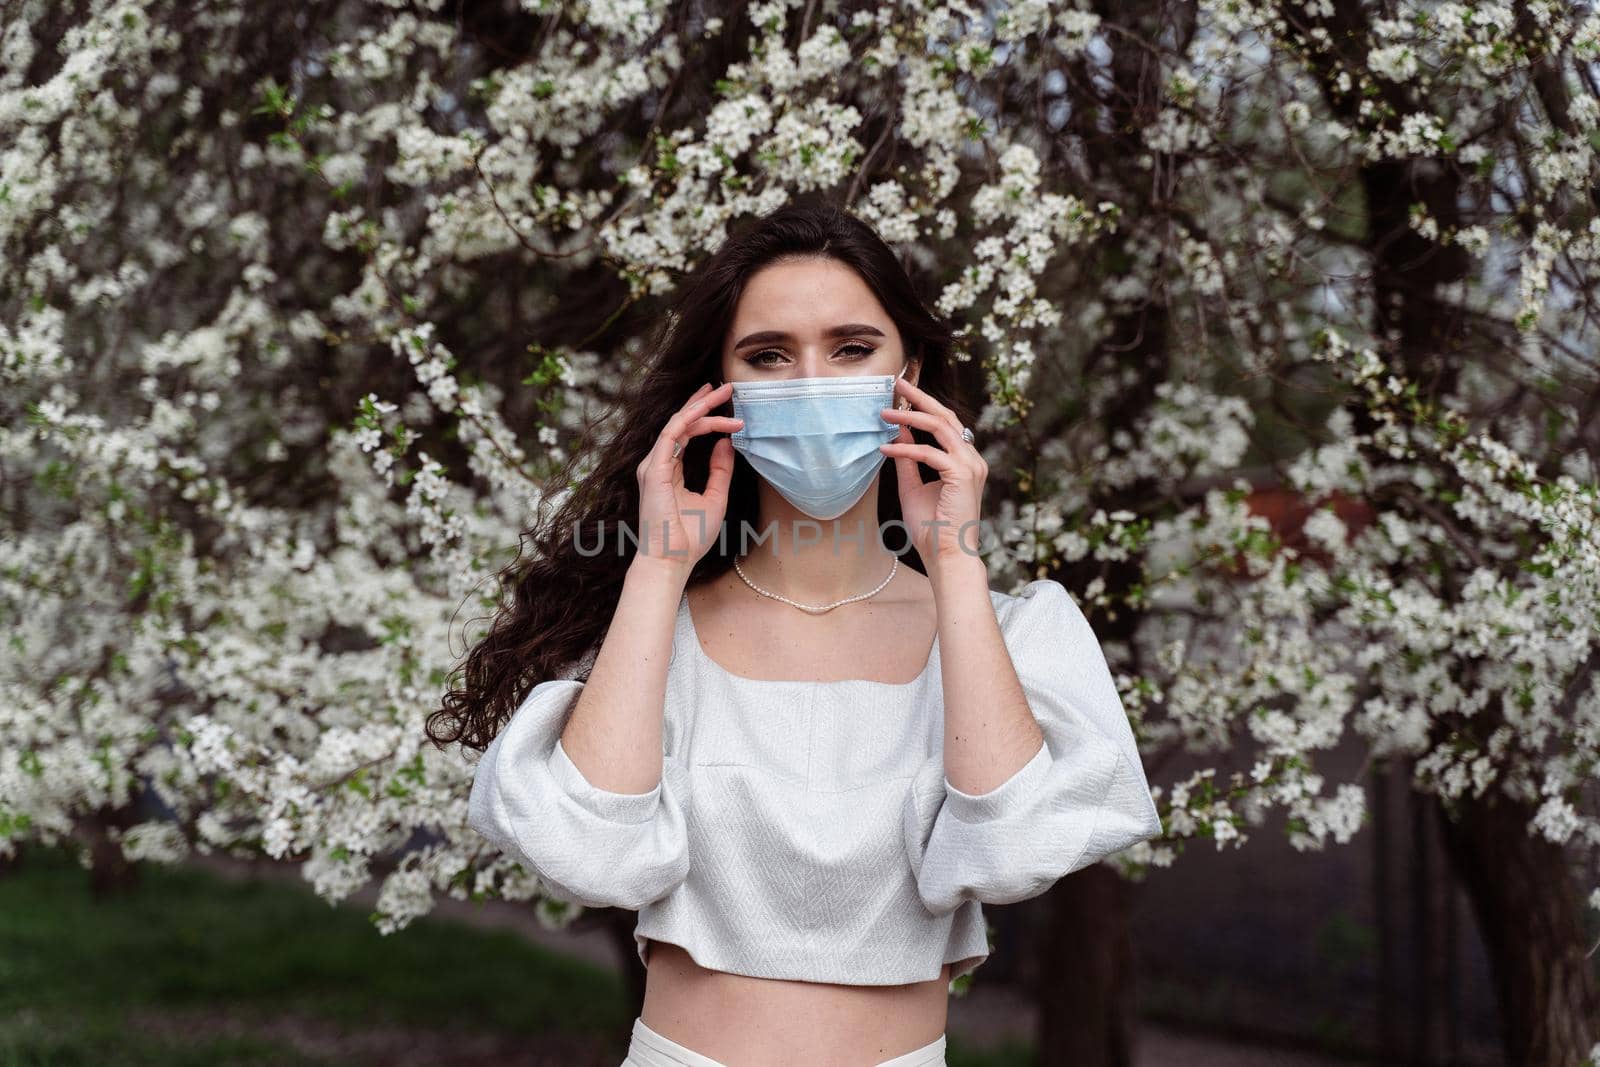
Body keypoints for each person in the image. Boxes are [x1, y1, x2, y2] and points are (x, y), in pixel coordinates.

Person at [434, 198, 1164, 1067]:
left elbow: (1010, 848)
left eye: (852, 349)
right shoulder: (654, 632)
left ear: (913, 372)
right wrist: (660, 565)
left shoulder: (1011, 632)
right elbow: (592, 853)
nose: (815, 382)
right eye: (769, 356)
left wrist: (955, 560)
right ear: (720, 393)